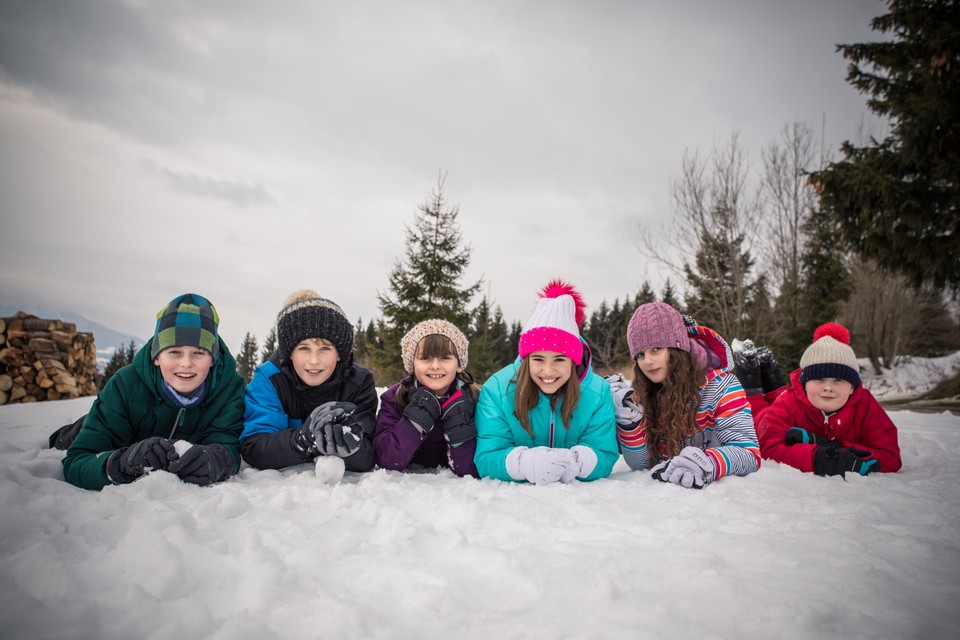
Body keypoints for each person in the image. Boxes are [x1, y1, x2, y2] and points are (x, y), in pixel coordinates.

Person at [62, 293, 245, 490]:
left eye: (198, 353)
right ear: (156, 357)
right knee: (75, 432)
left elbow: (229, 445)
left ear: (212, 360)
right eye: (174, 352)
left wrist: (215, 459)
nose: (186, 363)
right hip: (111, 427)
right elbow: (76, 462)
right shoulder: (124, 385)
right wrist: (122, 463)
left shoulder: (230, 391)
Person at [474, 280, 619, 484]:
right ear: (526, 359)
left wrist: (579, 461)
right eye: (538, 359)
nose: (548, 371)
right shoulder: (497, 390)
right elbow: (486, 457)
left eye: (559, 359)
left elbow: (605, 453)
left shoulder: (597, 392)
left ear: (573, 360)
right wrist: (522, 463)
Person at [608, 302, 760, 489]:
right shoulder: (647, 392)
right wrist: (629, 423)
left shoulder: (721, 386)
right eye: (640, 354)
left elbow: (748, 454)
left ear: (677, 348)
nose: (647, 361)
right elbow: (642, 465)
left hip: (720, 502)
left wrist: (705, 462)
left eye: (656, 349)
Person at [239, 290, 377, 472]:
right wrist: (302, 439)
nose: (314, 360)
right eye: (304, 348)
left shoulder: (358, 383)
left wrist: (349, 448)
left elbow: (368, 454)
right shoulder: (270, 380)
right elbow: (255, 447)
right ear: (289, 352)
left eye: (325, 348)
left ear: (339, 354)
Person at [758, 323, 901, 477]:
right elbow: (768, 448)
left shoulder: (864, 405)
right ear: (805, 384)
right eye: (819, 379)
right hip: (763, 418)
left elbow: (890, 456)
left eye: (838, 380)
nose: (828, 387)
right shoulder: (788, 401)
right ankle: (755, 381)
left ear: (852, 387)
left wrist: (839, 449)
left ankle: (770, 379)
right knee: (755, 411)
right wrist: (818, 457)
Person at [373, 319, 479, 477]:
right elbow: (385, 460)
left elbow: (475, 468)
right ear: (412, 364)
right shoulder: (395, 398)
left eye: (445, 358)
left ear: (459, 364)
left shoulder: (475, 399)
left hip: (455, 496)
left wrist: (460, 434)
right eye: (425, 358)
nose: (435, 365)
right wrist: (412, 423)